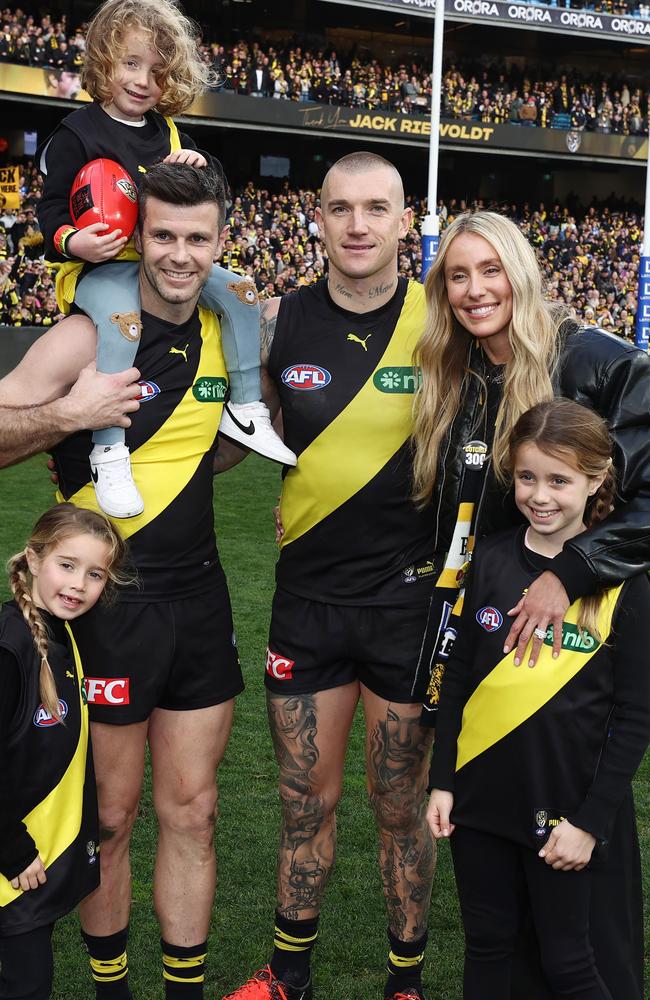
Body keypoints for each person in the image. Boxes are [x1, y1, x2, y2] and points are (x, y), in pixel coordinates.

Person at [0, 161, 245, 1000]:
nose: (180, 255)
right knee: (110, 819)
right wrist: (70, 416)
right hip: (104, 610)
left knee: (194, 812)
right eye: (164, 236)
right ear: (138, 235)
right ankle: (111, 991)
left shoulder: (229, 324)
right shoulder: (83, 333)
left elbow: (236, 439)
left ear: (220, 241)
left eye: (197, 238)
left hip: (202, 602)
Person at [411, 210, 650, 999]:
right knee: (500, 928)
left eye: (491, 270)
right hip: (494, 643)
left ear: (523, 271)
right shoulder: (460, 372)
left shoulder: (593, 359)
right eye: (457, 274)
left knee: (580, 927)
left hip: (585, 643)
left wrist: (575, 570)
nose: (477, 290)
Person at [222, 152, 436, 1000]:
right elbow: (225, 439)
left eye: (375, 208)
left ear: (403, 220)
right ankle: (288, 976)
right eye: (340, 208)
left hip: (408, 609)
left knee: (399, 809)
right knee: (302, 803)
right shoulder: (273, 323)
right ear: (316, 217)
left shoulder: (444, 319)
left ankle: (405, 983)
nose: (357, 225)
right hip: (307, 605)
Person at [38, 0, 294, 519]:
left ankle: (245, 409)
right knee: (122, 326)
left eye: (157, 71)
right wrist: (74, 242)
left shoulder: (170, 133)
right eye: (131, 63)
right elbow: (46, 212)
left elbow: (210, 188)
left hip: (158, 265)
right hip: (100, 270)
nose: (143, 80)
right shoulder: (77, 132)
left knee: (243, 292)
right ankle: (108, 451)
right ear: (104, 61)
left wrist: (202, 163)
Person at [0, 504, 130, 999]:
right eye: (67, 565)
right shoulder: (10, 646)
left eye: (95, 574)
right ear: (34, 559)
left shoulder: (61, 635)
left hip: (37, 859)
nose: (79, 584)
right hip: (15, 861)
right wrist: (11, 848)